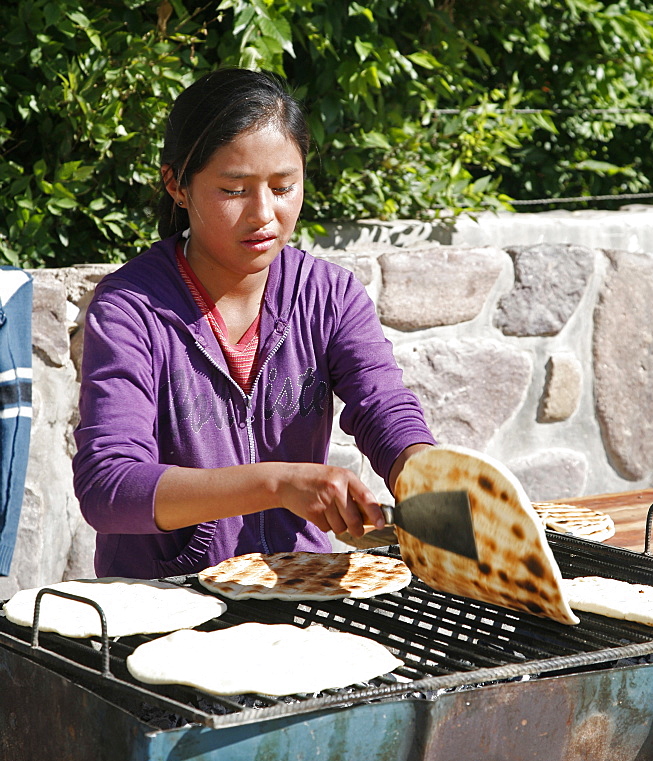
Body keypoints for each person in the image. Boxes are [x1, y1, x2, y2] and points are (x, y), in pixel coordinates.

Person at [72, 68, 435, 580]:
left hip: (303, 582)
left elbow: (383, 407)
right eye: (234, 189)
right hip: (165, 603)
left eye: (284, 187)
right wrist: (275, 484)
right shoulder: (131, 308)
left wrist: (425, 472)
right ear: (176, 184)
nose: (263, 214)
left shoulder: (330, 295)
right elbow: (109, 488)